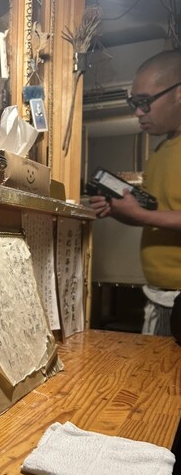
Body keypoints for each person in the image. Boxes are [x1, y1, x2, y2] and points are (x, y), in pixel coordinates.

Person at [89, 49, 181, 337]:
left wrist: (140, 215)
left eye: (144, 102)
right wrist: (122, 212)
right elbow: (156, 216)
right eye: (134, 103)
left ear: (179, 94)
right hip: (159, 297)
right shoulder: (160, 151)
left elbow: (148, 217)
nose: (137, 112)